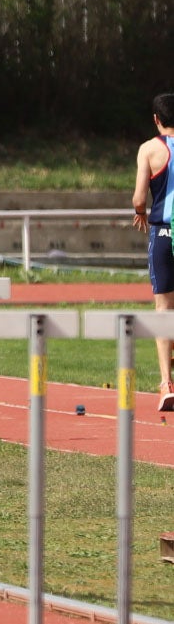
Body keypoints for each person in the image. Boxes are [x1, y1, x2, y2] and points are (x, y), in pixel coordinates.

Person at [131, 92, 174, 411]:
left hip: (162, 230)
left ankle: (165, 383)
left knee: (164, 309)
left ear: (157, 119)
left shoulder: (149, 149)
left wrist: (141, 212)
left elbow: (138, 198)